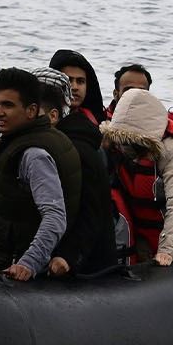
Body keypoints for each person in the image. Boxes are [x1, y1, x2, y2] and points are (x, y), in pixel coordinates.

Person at [0, 68, 81, 281]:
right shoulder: (33, 138)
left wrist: (28, 263)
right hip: (5, 255)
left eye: (8, 105)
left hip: (24, 269)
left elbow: (55, 217)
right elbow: (15, 213)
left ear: (31, 111)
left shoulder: (34, 155)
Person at [100, 87, 173, 265]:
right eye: (122, 142)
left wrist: (167, 250)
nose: (124, 148)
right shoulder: (117, 144)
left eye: (131, 142)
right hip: (144, 235)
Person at [35, 67, 116, 278]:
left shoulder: (78, 146)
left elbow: (91, 209)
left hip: (83, 267)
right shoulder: (44, 142)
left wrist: (68, 256)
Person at [49, 49, 107, 123]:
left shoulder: (99, 123)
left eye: (80, 81)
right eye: (68, 80)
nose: (75, 87)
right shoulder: (39, 119)